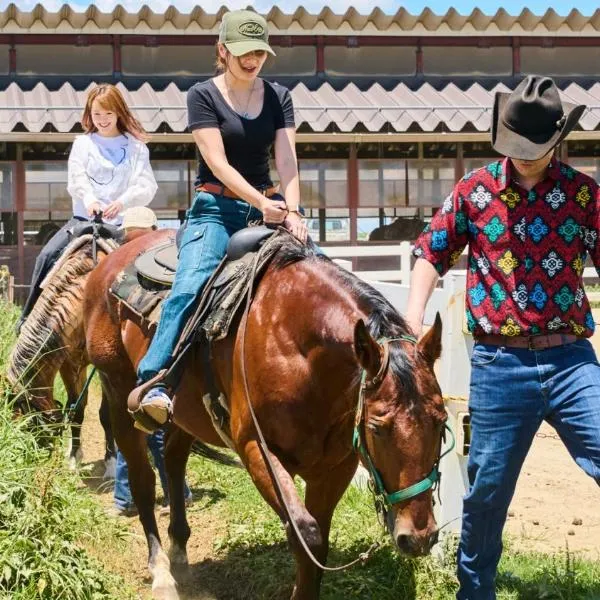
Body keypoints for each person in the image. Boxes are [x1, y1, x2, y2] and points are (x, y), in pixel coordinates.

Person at [405, 75, 600, 599]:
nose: (522, 156)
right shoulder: (474, 190)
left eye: (533, 149)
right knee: (487, 489)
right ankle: (475, 592)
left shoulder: (585, 194)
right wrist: (414, 311)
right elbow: (430, 250)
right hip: (499, 362)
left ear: (557, 140)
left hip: (572, 360)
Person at [128, 9, 308, 431]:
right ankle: (155, 383)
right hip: (216, 209)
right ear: (223, 51)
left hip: (271, 208)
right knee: (191, 283)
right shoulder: (202, 96)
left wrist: (295, 212)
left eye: (260, 52)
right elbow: (217, 161)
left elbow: (287, 159)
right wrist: (260, 203)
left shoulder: (279, 96)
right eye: (244, 52)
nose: (253, 60)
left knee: (317, 275)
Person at [17, 84, 157, 331]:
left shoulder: (136, 148)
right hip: (84, 221)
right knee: (47, 255)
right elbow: (77, 178)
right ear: (89, 115)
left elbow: (146, 184)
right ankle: (29, 322)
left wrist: (122, 202)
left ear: (119, 113)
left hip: (123, 225)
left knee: (153, 266)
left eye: (108, 114)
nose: (102, 120)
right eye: (97, 114)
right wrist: (90, 199)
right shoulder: (82, 143)